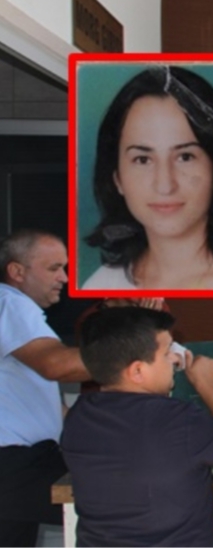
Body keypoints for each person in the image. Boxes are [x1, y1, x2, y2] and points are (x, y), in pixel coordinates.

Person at [60, 306, 213, 547]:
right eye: (166, 353)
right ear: (137, 371)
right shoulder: (178, 421)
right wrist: (207, 385)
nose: (174, 359)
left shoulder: (78, 417)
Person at [82, 65, 213, 290]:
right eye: (143, 160)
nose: (165, 185)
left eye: (185, 157)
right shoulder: (100, 287)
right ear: (117, 178)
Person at [0, 229, 90, 547]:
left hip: (23, 459)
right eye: (54, 268)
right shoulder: (10, 303)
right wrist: (140, 353)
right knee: (113, 506)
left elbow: (42, 403)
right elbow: (57, 365)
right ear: (17, 271)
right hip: (13, 461)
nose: (64, 278)